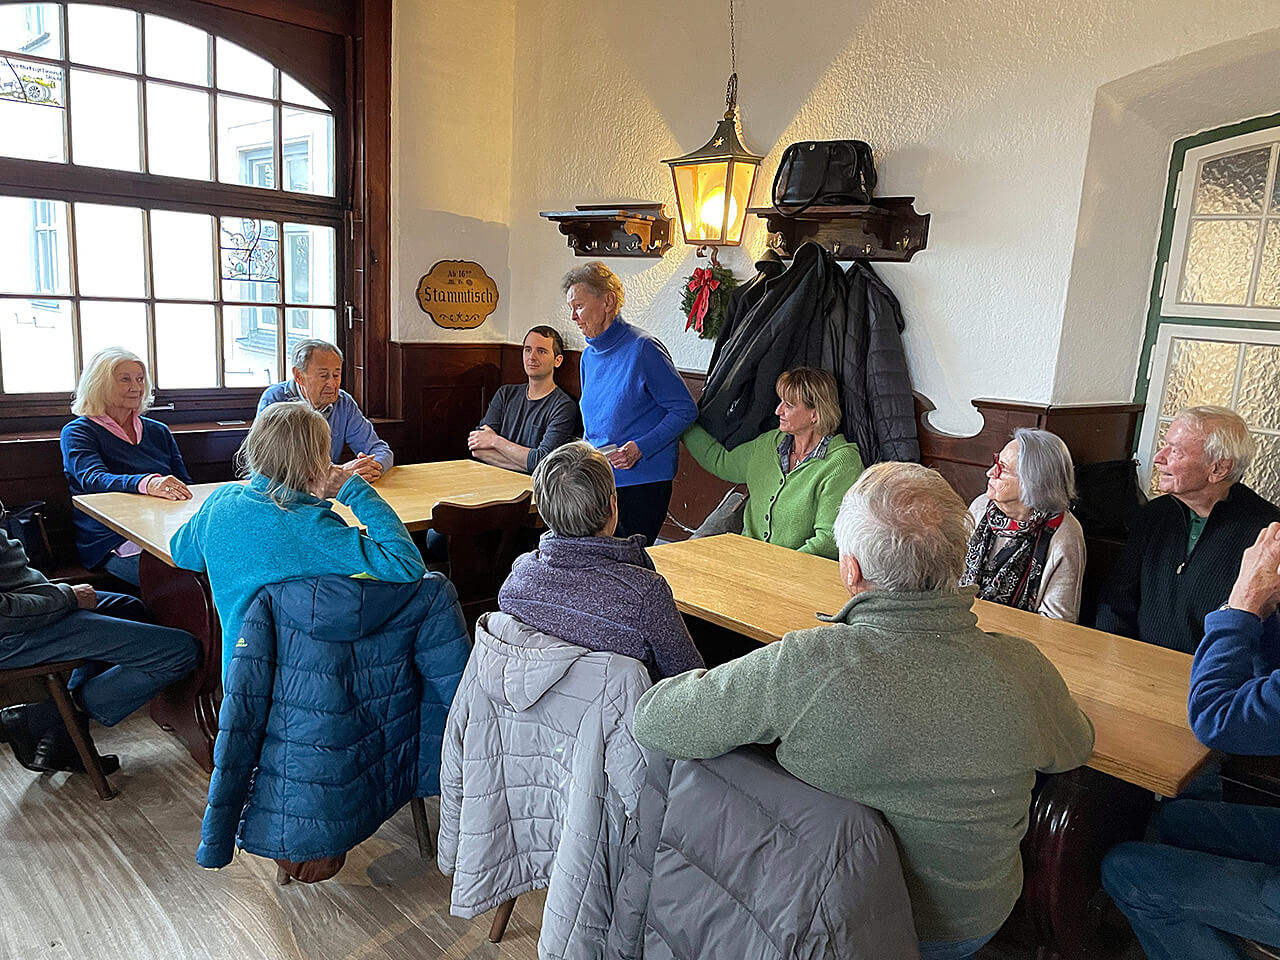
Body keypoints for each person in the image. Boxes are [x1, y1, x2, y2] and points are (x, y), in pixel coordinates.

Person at [631, 462, 1095, 959]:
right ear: (958, 561)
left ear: (850, 569)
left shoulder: (808, 663)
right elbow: (1074, 747)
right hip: (976, 919)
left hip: (833, 923)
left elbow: (654, 719)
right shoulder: (1023, 665)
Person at [1101, 522, 1280, 958]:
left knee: (1125, 869)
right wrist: (1265, 612)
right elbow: (1263, 689)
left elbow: (1216, 719)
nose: (1161, 459)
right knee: (1176, 822)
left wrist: (1243, 602)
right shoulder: (1160, 518)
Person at [170, 401, 426, 678]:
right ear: (315, 463)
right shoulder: (312, 528)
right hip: (304, 679)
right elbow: (407, 565)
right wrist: (355, 490)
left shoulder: (220, 501)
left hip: (238, 672)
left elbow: (182, 552)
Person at [498, 441, 704, 681]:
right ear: (613, 506)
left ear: (544, 511)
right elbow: (689, 683)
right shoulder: (645, 593)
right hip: (623, 717)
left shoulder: (518, 578)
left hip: (529, 716)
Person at [0, 529, 198, 776]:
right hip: (12, 633)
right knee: (179, 652)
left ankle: (56, 726)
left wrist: (54, 594)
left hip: (29, 599)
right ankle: (52, 716)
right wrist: (67, 599)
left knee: (130, 609)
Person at [1096, 405, 1280, 653]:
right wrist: (1114, 655)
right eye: (1164, 445)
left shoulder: (1268, 534)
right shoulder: (1155, 514)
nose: (1159, 457)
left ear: (1218, 469)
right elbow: (1117, 598)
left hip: (1211, 679)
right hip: (1132, 666)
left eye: (1176, 451)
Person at [564, 262, 696, 546]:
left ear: (608, 301)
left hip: (641, 483)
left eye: (579, 306)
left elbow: (685, 410)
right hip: (598, 481)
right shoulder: (588, 357)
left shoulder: (644, 349)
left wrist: (640, 448)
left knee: (626, 565)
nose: (574, 316)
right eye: (571, 308)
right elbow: (593, 425)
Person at [681, 367, 864, 559]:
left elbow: (827, 541)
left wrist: (776, 568)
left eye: (789, 405)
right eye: (781, 402)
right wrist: (681, 422)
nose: (778, 411)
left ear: (815, 414)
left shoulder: (841, 463)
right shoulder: (769, 443)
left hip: (798, 574)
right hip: (748, 561)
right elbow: (721, 462)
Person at [60, 347, 193, 586]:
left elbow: (186, 484)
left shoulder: (158, 431)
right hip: (112, 539)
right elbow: (94, 479)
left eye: (140, 379)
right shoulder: (78, 432)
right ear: (99, 384)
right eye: (125, 379)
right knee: (183, 585)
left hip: (168, 531)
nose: (136, 387)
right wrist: (147, 483)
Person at [961, 428, 1086, 621]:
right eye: (996, 462)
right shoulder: (980, 507)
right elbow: (951, 577)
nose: (990, 473)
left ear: (1033, 482)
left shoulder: (1064, 534)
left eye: (1003, 469)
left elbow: (1057, 624)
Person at [256, 339, 392, 483]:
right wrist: (340, 472)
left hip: (325, 491)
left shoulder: (343, 402)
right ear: (298, 376)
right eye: (323, 376)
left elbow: (380, 450)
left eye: (336, 375)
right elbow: (271, 465)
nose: (332, 384)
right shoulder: (275, 399)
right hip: (278, 492)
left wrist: (372, 467)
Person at [467, 325, 581, 473]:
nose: (532, 357)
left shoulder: (563, 406)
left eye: (541, 351)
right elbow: (477, 448)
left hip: (532, 491)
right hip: (490, 480)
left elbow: (543, 461)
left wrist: (495, 441)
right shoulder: (505, 393)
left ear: (557, 360)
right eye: (528, 349)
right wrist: (528, 464)